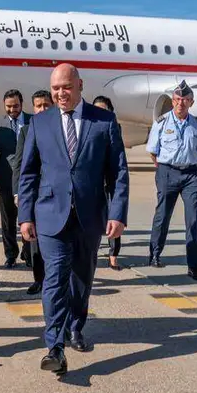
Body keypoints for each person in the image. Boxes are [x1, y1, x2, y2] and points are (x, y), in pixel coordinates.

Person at [18, 64, 129, 376]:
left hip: (90, 215)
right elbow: (28, 172)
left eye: (66, 87)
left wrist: (118, 213)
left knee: (82, 278)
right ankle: (54, 345)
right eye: (55, 88)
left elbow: (118, 171)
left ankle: (75, 327)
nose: (60, 94)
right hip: (51, 214)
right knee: (54, 278)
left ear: (80, 86)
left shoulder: (103, 121)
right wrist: (25, 215)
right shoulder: (40, 122)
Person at [146, 80, 197, 281]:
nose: (181, 103)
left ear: (191, 102)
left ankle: (193, 266)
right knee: (163, 215)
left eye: (185, 100)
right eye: (177, 99)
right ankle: (155, 254)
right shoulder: (162, 123)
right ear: (172, 101)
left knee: (193, 220)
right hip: (167, 172)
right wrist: (165, 170)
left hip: (191, 175)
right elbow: (153, 152)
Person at [11, 89, 53, 294]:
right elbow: (20, 165)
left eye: (46, 105)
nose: (43, 109)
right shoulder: (27, 131)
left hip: (56, 195)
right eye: (39, 105)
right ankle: (39, 280)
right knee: (34, 242)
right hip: (35, 195)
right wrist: (18, 193)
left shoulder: (62, 128)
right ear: (33, 108)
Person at [0, 89, 32, 268]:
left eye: (15, 106)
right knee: (8, 220)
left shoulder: (33, 121)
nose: (12, 109)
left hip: (28, 178)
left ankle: (28, 253)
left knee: (28, 218)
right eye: (8, 106)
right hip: (5, 179)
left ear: (22, 104)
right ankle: (11, 255)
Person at [92, 95, 123, 271]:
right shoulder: (88, 127)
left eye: (104, 109)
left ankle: (113, 256)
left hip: (109, 181)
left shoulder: (115, 128)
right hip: (94, 181)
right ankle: (92, 253)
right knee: (95, 220)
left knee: (114, 217)